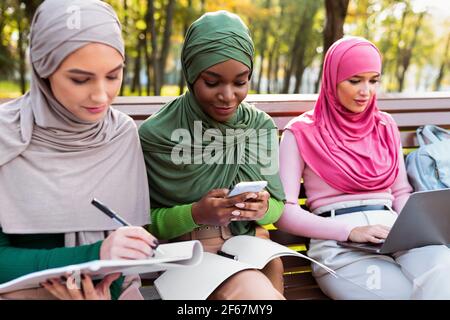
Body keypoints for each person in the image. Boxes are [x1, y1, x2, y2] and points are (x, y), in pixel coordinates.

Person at [0, 0, 157, 300]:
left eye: (113, 75)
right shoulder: (4, 136)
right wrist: (92, 256)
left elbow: (124, 260)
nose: (101, 95)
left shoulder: (120, 134)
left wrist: (99, 289)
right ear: (43, 69)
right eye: (80, 79)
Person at [275, 36, 450, 299]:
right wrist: (350, 231)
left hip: (395, 233)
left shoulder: (385, 125)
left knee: (443, 271)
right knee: (399, 295)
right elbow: (284, 212)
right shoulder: (300, 132)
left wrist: (416, 228)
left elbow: (400, 192)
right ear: (332, 79)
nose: (365, 91)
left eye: (373, 80)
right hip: (340, 243)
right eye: (354, 80)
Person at [139, 11, 286, 300]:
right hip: (187, 255)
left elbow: (278, 205)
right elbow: (143, 222)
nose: (228, 95)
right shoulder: (157, 134)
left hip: (250, 248)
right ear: (191, 75)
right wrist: (195, 214)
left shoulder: (260, 127)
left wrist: (262, 210)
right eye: (212, 82)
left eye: (240, 82)